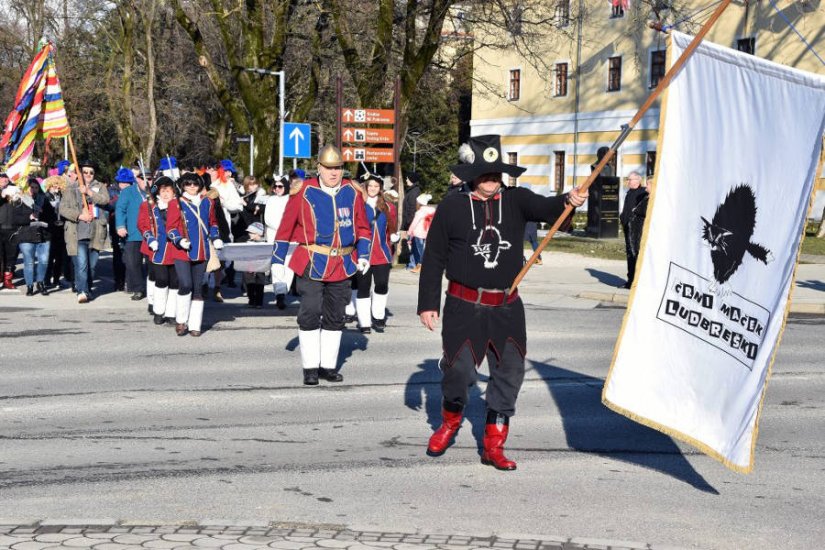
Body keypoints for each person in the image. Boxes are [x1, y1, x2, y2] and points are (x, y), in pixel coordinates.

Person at [417, 134, 587, 471]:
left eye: (496, 174)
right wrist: (427, 303)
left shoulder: (516, 200)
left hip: (507, 306)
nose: (492, 180)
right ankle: (450, 422)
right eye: (485, 174)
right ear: (471, 175)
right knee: (459, 371)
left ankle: (493, 443)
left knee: (510, 372)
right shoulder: (452, 206)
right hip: (463, 306)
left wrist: (569, 199)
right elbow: (434, 257)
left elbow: (548, 207)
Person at [271, 144, 371, 386]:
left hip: (343, 263)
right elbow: (284, 231)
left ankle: (327, 366)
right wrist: (277, 264)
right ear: (319, 168)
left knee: (336, 316)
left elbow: (363, 228)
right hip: (311, 262)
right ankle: (310, 368)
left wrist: (364, 254)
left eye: (337, 168)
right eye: (328, 168)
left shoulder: (352, 192)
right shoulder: (303, 192)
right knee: (310, 312)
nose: (334, 172)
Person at [167, 171, 224, 336]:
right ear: (183, 185)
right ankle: (181, 320)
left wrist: (216, 237)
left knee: (198, 288)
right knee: (186, 284)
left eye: (195, 184)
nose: (192, 187)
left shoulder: (208, 203)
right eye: (188, 184)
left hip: (201, 251)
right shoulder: (176, 203)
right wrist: (178, 239)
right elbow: (170, 227)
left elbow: (212, 223)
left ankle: (195, 325)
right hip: (182, 252)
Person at [352, 173, 399, 333]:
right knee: (363, 287)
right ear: (365, 187)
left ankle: (378, 317)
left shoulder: (388, 206)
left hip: (382, 254)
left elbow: (392, 226)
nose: (372, 189)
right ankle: (364, 322)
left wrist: (394, 236)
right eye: (370, 186)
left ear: (380, 189)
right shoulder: (358, 204)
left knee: (381, 284)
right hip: (362, 254)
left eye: (376, 186)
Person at [138, 176, 187, 327]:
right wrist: (150, 238)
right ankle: (158, 311)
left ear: (174, 192)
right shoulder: (149, 206)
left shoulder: (181, 206)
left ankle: (171, 313)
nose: (166, 193)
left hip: (176, 249)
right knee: (161, 279)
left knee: (175, 282)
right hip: (158, 249)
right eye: (163, 190)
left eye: (169, 190)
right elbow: (142, 224)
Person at [60, 161, 109, 303]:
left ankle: (86, 288)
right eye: (85, 172)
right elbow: (63, 209)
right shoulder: (70, 188)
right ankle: (82, 291)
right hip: (77, 233)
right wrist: (79, 215)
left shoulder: (99, 187)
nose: (88, 175)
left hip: (95, 233)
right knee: (81, 265)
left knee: (92, 267)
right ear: (81, 173)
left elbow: (105, 200)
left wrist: (89, 192)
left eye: (91, 172)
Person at [16, 180, 56, 295]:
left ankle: (41, 282)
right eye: (31, 187)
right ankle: (29, 285)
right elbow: (15, 218)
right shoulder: (19, 200)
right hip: (26, 235)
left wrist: (43, 214)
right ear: (26, 188)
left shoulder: (43, 199)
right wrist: (28, 216)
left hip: (43, 235)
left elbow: (51, 216)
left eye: (36, 187)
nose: (33, 190)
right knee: (29, 262)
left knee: (43, 261)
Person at [264, 175, 293, 309]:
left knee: (289, 265)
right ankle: (279, 293)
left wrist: (288, 229)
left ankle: (284, 289)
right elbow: (268, 219)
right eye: (275, 186)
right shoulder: (271, 200)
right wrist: (282, 228)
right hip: (275, 236)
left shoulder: (291, 200)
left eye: (280, 186)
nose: (277, 189)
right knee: (276, 265)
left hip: (290, 237)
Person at [619, 171, 648, 289]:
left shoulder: (642, 193)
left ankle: (636, 281)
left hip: (636, 230)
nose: (628, 182)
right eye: (628, 179)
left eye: (630, 179)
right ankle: (630, 280)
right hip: (627, 227)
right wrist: (622, 217)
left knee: (635, 254)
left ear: (638, 180)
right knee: (629, 255)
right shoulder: (629, 193)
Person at [43, 175, 70, 288]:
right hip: (50, 230)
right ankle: (47, 279)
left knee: (60, 257)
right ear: (49, 186)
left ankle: (56, 278)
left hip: (61, 230)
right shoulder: (45, 197)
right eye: (54, 185)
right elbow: (43, 214)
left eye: (58, 185)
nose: (56, 187)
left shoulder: (63, 197)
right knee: (49, 257)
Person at [236, 221, 268, 308]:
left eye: (251, 233)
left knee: (260, 284)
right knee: (249, 283)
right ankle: (251, 300)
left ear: (257, 234)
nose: (249, 234)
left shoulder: (265, 244)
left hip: (261, 266)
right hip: (249, 266)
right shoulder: (247, 242)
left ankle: (259, 302)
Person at [406, 193, 435, 274]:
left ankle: (419, 265)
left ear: (419, 203)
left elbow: (414, 223)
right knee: (425, 250)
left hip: (418, 234)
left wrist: (409, 232)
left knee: (419, 251)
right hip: (428, 233)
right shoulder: (432, 211)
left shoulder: (419, 212)